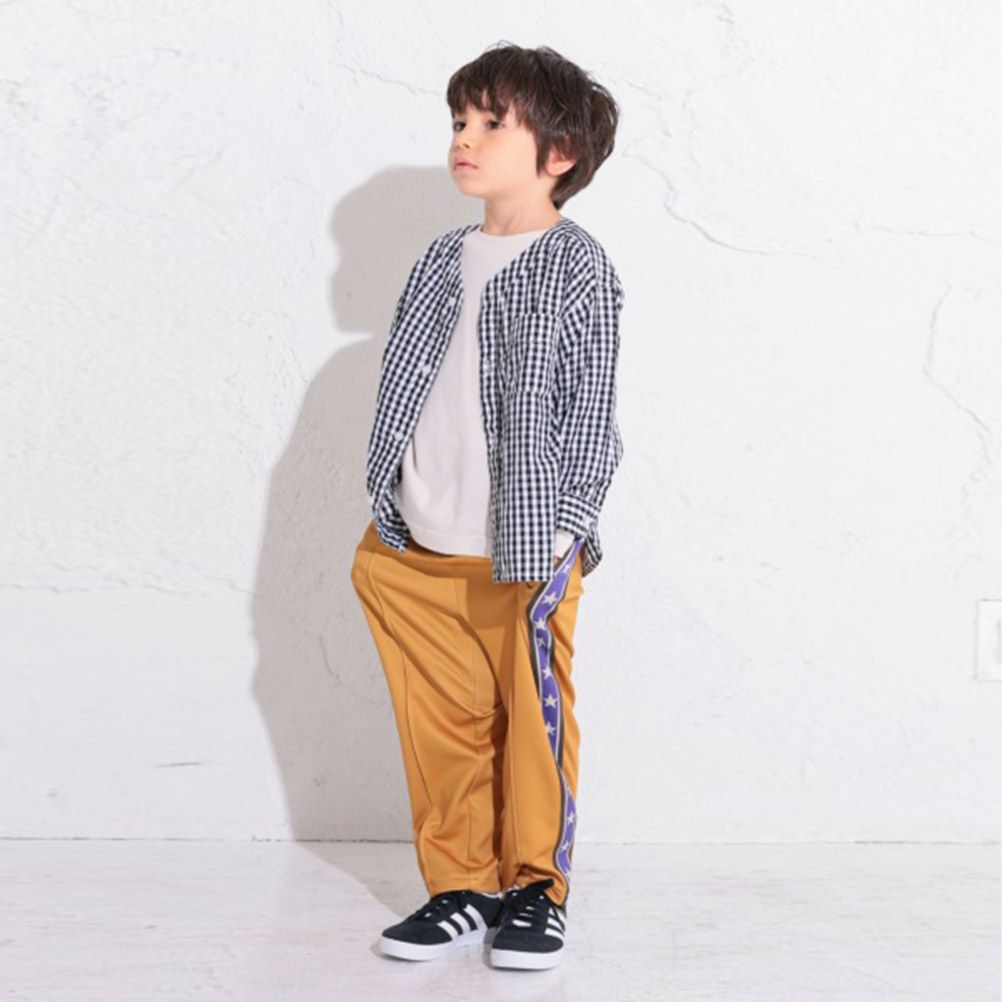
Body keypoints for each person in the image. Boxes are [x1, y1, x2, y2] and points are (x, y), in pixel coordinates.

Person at [350, 41, 625, 971]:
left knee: (533, 728)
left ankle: (537, 889)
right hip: (416, 541)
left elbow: (591, 408)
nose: (464, 139)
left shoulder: (578, 266)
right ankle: (463, 886)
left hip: (524, 545)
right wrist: (388, 501)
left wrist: (568, 527)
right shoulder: (441, 256)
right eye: (459, 121)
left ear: (559, 153)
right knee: (443, 728)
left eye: (491, 124)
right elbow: (411, 382)